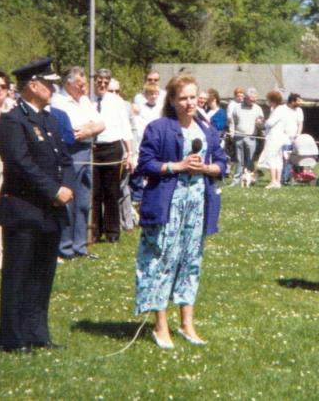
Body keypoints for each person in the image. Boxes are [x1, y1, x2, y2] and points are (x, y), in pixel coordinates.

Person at [135, 72, 226, 349]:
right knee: (162, 261)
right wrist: (177, 166)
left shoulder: (207, 129)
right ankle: (160, 325)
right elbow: (145, 164)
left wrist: (208, 168)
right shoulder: (158, 128)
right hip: (167, 205)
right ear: (172, 100)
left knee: (190, 262)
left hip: (198, 205)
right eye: (183, 98)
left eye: (193, 98)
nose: (189, 103)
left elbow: (222, 162)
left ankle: (187, 323)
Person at [0, 58, 75, 353]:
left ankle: (37, 332)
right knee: (18, 275)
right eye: (49, 83)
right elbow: (20, 164)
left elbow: (64, 158)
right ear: (32, 85)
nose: (54, 88)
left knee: (42, 275)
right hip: (24, 209)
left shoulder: (49, 119)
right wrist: (54, 190)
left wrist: (66, 187)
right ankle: (13, 338)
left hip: (50, 211)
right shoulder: (12, 121)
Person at [52, 66, 105, 259]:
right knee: (68, 200)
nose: (84, 88)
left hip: (86, 151)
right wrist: (86, 128)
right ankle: (65, 248)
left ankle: (80, 246)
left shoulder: (84, 101)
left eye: (84, 84)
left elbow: (101, 123)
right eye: (80, 84)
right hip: (69, 153)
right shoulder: (58, 102)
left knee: (83, 201)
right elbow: (68, 130)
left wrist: (89, 130)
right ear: (68, 84)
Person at [91, 68, 133, 244]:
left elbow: (125, 128)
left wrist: (129, 153)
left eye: (105, 82)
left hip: (113, 148)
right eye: (99, 81)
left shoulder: (117, 101)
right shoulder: (87, 100)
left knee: (111, 192)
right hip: (93, 149)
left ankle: (112, 232)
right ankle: (95, 231)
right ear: (95, 81)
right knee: (95, 193)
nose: (102, 85)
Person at [230, 87, 264, 186]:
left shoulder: (258, 108)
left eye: (255, 100)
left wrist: (259, 123)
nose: (253, 102)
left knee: (250, 159)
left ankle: (250, 180)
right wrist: (232, 132)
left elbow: (262, 124)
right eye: (251, 100)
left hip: (251, 137)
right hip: (239, 136)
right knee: (239, 160)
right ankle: (236, 180)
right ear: (246, 98)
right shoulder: (237, 107)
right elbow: (233, 121)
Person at [258, 91, 289, 189]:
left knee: (271, 158)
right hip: (279, 137)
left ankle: (273, 181)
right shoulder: (280, 109)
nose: (268, 102)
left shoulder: (279, 110)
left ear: (273, 101)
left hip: (274, 137)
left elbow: (270, 123)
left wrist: (262, 121)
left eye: (269, 100)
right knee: (278, 159)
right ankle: (277, 181)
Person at [281, 93, 304, 184]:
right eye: (298, 101)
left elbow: (300, 124)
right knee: (284, 159)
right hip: (283, 139)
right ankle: (283, 178)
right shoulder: (282, 109)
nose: (300, 103)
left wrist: (298, 135)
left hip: (294, 139)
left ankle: (288, 178)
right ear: (292, 101)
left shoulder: (299, 111)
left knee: (292, 160)